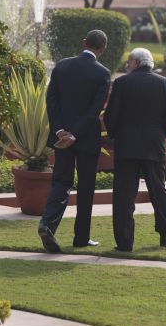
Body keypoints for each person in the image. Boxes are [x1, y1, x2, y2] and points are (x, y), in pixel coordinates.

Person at [38, 30, 111, 253]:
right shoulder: (103, 73)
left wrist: (61, 131)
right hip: (86, 139)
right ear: (102, 49)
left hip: (62, 138)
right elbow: (94, 111)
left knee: (61, 181)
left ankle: (47, 224)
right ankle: (81, 238)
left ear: (84, 43)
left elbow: (51, 101)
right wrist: (75, 134)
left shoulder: (62, 66)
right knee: (86, 187)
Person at [103, 47, 166, 252]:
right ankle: (165, 233)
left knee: (123, 195)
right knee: (158, 190)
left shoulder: (121, 83)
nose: (126, 65)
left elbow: (110, 116)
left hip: (126, 146)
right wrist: (159, 134)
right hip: (153, 146)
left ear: (136, 63)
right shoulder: (165, 84)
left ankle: (124, 242)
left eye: (129, 62)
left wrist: (116, 136)